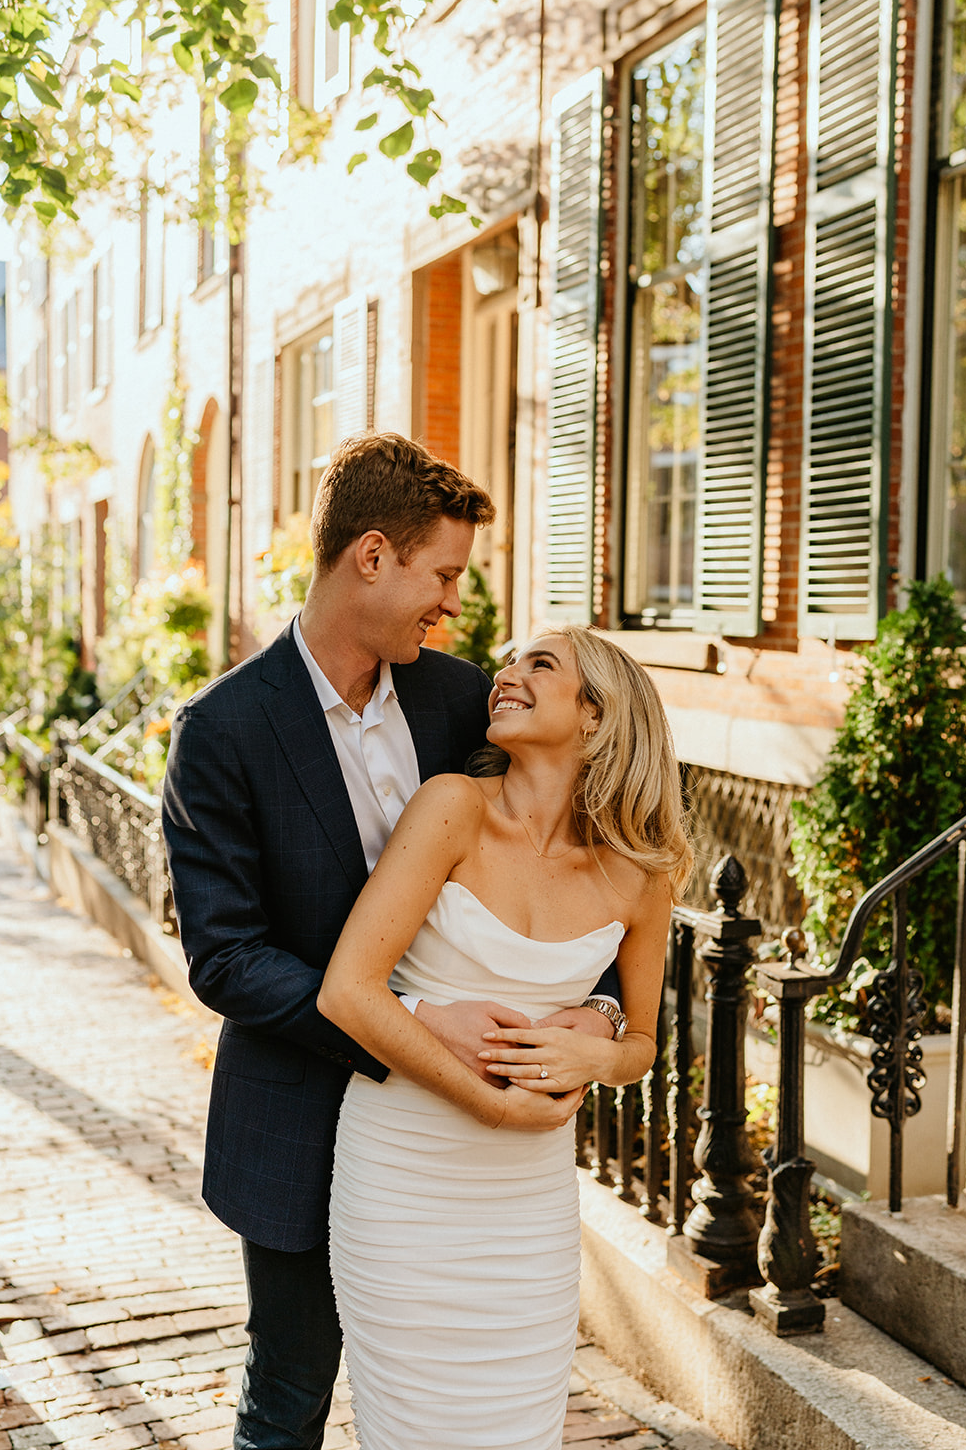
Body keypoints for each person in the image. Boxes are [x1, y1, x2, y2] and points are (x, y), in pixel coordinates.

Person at [161, 433, 620, 1450]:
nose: (451, 604)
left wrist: (600, 1012)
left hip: (454, 1149)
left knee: (443, 1390)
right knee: (290, 1393)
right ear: (372, 556)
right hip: (294, 1118)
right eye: (443, 575)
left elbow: (581, 860)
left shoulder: (464, 701)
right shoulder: (221, 730)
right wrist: (412, 1020)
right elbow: (225, 956)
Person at [318, 625, 692, 1450]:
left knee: (518, 1423)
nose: (506, 674)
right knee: (410, 1423)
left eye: (539, 664)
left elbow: (640, 1046)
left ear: (595, 718)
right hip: (402, 1177)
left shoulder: (641, 871)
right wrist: (494, 1108)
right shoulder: (451, 805)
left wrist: (597, 1049)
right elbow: (349, 993)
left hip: (527, 1206)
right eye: (509, 660)